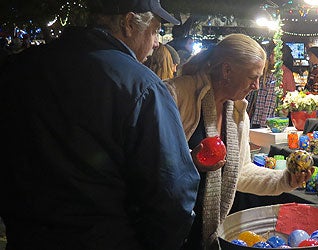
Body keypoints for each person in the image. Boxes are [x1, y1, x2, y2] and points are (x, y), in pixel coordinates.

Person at [0, 0, 200, 249]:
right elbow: (174, 194)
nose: (157, 42)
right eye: (155, 30)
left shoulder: (19, 68)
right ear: (129, 23)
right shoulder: (142, 87)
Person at [166, 33, 314, 249]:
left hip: (203, 233)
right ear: (227, 71)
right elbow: (151, 163)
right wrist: (191, 162)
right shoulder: (176, 95)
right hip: (169, 230)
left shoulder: (237, 112)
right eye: (252, 77)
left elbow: (241, 173)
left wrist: (286, 180)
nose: (256, 86)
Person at [247, 42, 278, 128]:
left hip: (258, 121)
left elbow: (269, 104)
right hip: (258, 121)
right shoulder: (268, 77)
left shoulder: (270, 77)